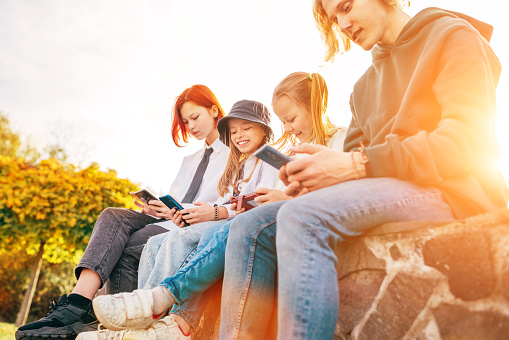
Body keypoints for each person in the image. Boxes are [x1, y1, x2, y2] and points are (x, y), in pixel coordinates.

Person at [225, 2, 508, 340]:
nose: (342, 24)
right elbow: (355, 163)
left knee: (302, 218)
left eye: (346, 7)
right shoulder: (362, 88)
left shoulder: (454, 35)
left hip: (452, 188)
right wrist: (316, 177)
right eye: (334, 19)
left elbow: (466, 142)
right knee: (249, 225)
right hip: (389, 189)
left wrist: (356, 164)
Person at [77, 72, 346, 340]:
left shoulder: (330, 145)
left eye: (291, 119)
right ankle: (145, 315)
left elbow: (317, 196)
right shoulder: (272, 156)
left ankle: (159, 313)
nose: (288, 128)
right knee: (158, 239)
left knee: (201, 236)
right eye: (284, 122)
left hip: (260, 222)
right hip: (241, 220)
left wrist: (224, 210)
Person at [15, 84, 230, 340]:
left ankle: (107, 322)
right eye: (186, 121)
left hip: (192, 225)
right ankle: (77, 302)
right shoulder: (189, 160)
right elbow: (177, 199)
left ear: (214, 110)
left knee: (128, 245)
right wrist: (157, 208)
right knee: (111, 215)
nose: (190, 126)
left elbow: (223, 205)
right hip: (167, 219)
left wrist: (181, 211)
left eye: (195, 117)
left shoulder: (234, 154)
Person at [76, 99, 279, 340]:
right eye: (234, 131)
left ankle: (153, 315)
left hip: (234, 224)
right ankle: (140, 317)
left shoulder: (270, 157)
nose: (238, 135)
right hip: (217, 219)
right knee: (153, 244)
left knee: (175, 241)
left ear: (264, 130)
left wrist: (217, 212)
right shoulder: (241, 163)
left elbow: (260, 200)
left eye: (246, 128)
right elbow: (230, 201)